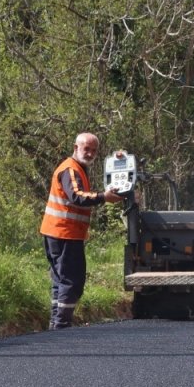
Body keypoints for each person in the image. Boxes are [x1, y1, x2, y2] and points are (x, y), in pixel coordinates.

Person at [39, 132, 124, 330]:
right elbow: (76, 196)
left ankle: (55, 324)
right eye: (87, 148)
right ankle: (61, 325)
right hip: (64, 234)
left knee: (60, 280)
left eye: (94, 150)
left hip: (62, 233)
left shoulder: (78, 168)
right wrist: (104, 197)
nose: (90, 153)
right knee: (71, 281)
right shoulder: (70, 169)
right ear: (76, 147)